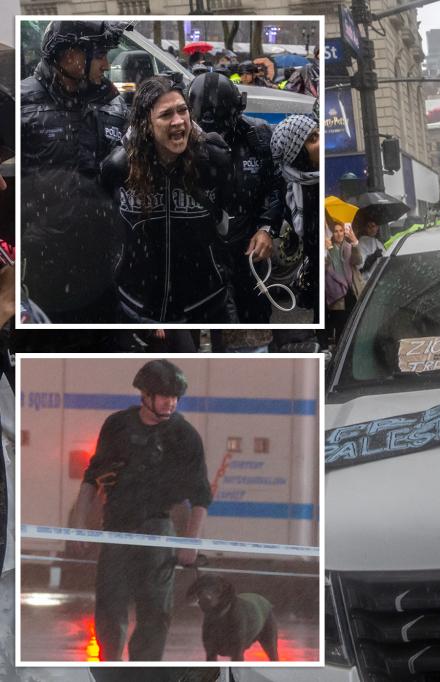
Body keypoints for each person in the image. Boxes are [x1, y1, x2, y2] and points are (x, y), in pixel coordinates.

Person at [68, 360, 211, 661]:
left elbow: (201, 496)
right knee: (109, 609)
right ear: (145, 395)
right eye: (164, 395)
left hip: (158, 531)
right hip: (116, 528)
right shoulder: (117, 425)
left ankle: (145, 672)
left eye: (175, 396)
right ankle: (110, 669)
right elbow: (92, 478)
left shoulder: (185, 436)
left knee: (156, 612)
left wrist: (190, 542)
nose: (171, 402)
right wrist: (79, 524)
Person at [100, 75, 237, 323]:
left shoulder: (214, 161)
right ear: (146, 124)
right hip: (136, 306)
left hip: (204, 304)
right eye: (166, 115)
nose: (178, 121)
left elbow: (231, 215)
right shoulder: (119, 167)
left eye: (182, 111)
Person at [20, 20, 127, 322]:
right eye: (101, 54)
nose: (107, 64)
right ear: (70, 56)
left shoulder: (112, 103)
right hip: (43, 268)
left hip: (102, 263)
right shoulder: (22, 104)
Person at [187, 72, 282, 326]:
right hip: (201, 253)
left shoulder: (258, 137)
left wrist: (266, 228)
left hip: (247, 250)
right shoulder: (180, 139)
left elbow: (275, 186)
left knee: (255, 317)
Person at [271, 114, 320, 314]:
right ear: (296, 152)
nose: (320, 141)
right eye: (312, 139)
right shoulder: (287, 191)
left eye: (319, 133)